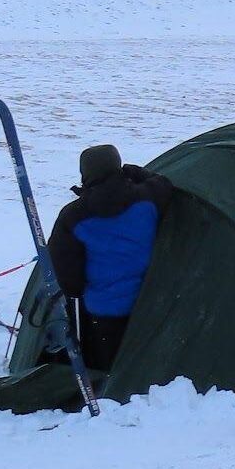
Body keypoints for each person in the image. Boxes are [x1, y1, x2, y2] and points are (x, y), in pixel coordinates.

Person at [46, 145, 172, 370]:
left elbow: (70, 282)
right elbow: (163, 182)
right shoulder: (149, 197)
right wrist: (136, 173)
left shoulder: (73, 216)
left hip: (104, 310)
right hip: (148, 303)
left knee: (111, 368)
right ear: (118, 166)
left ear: (85, 175)